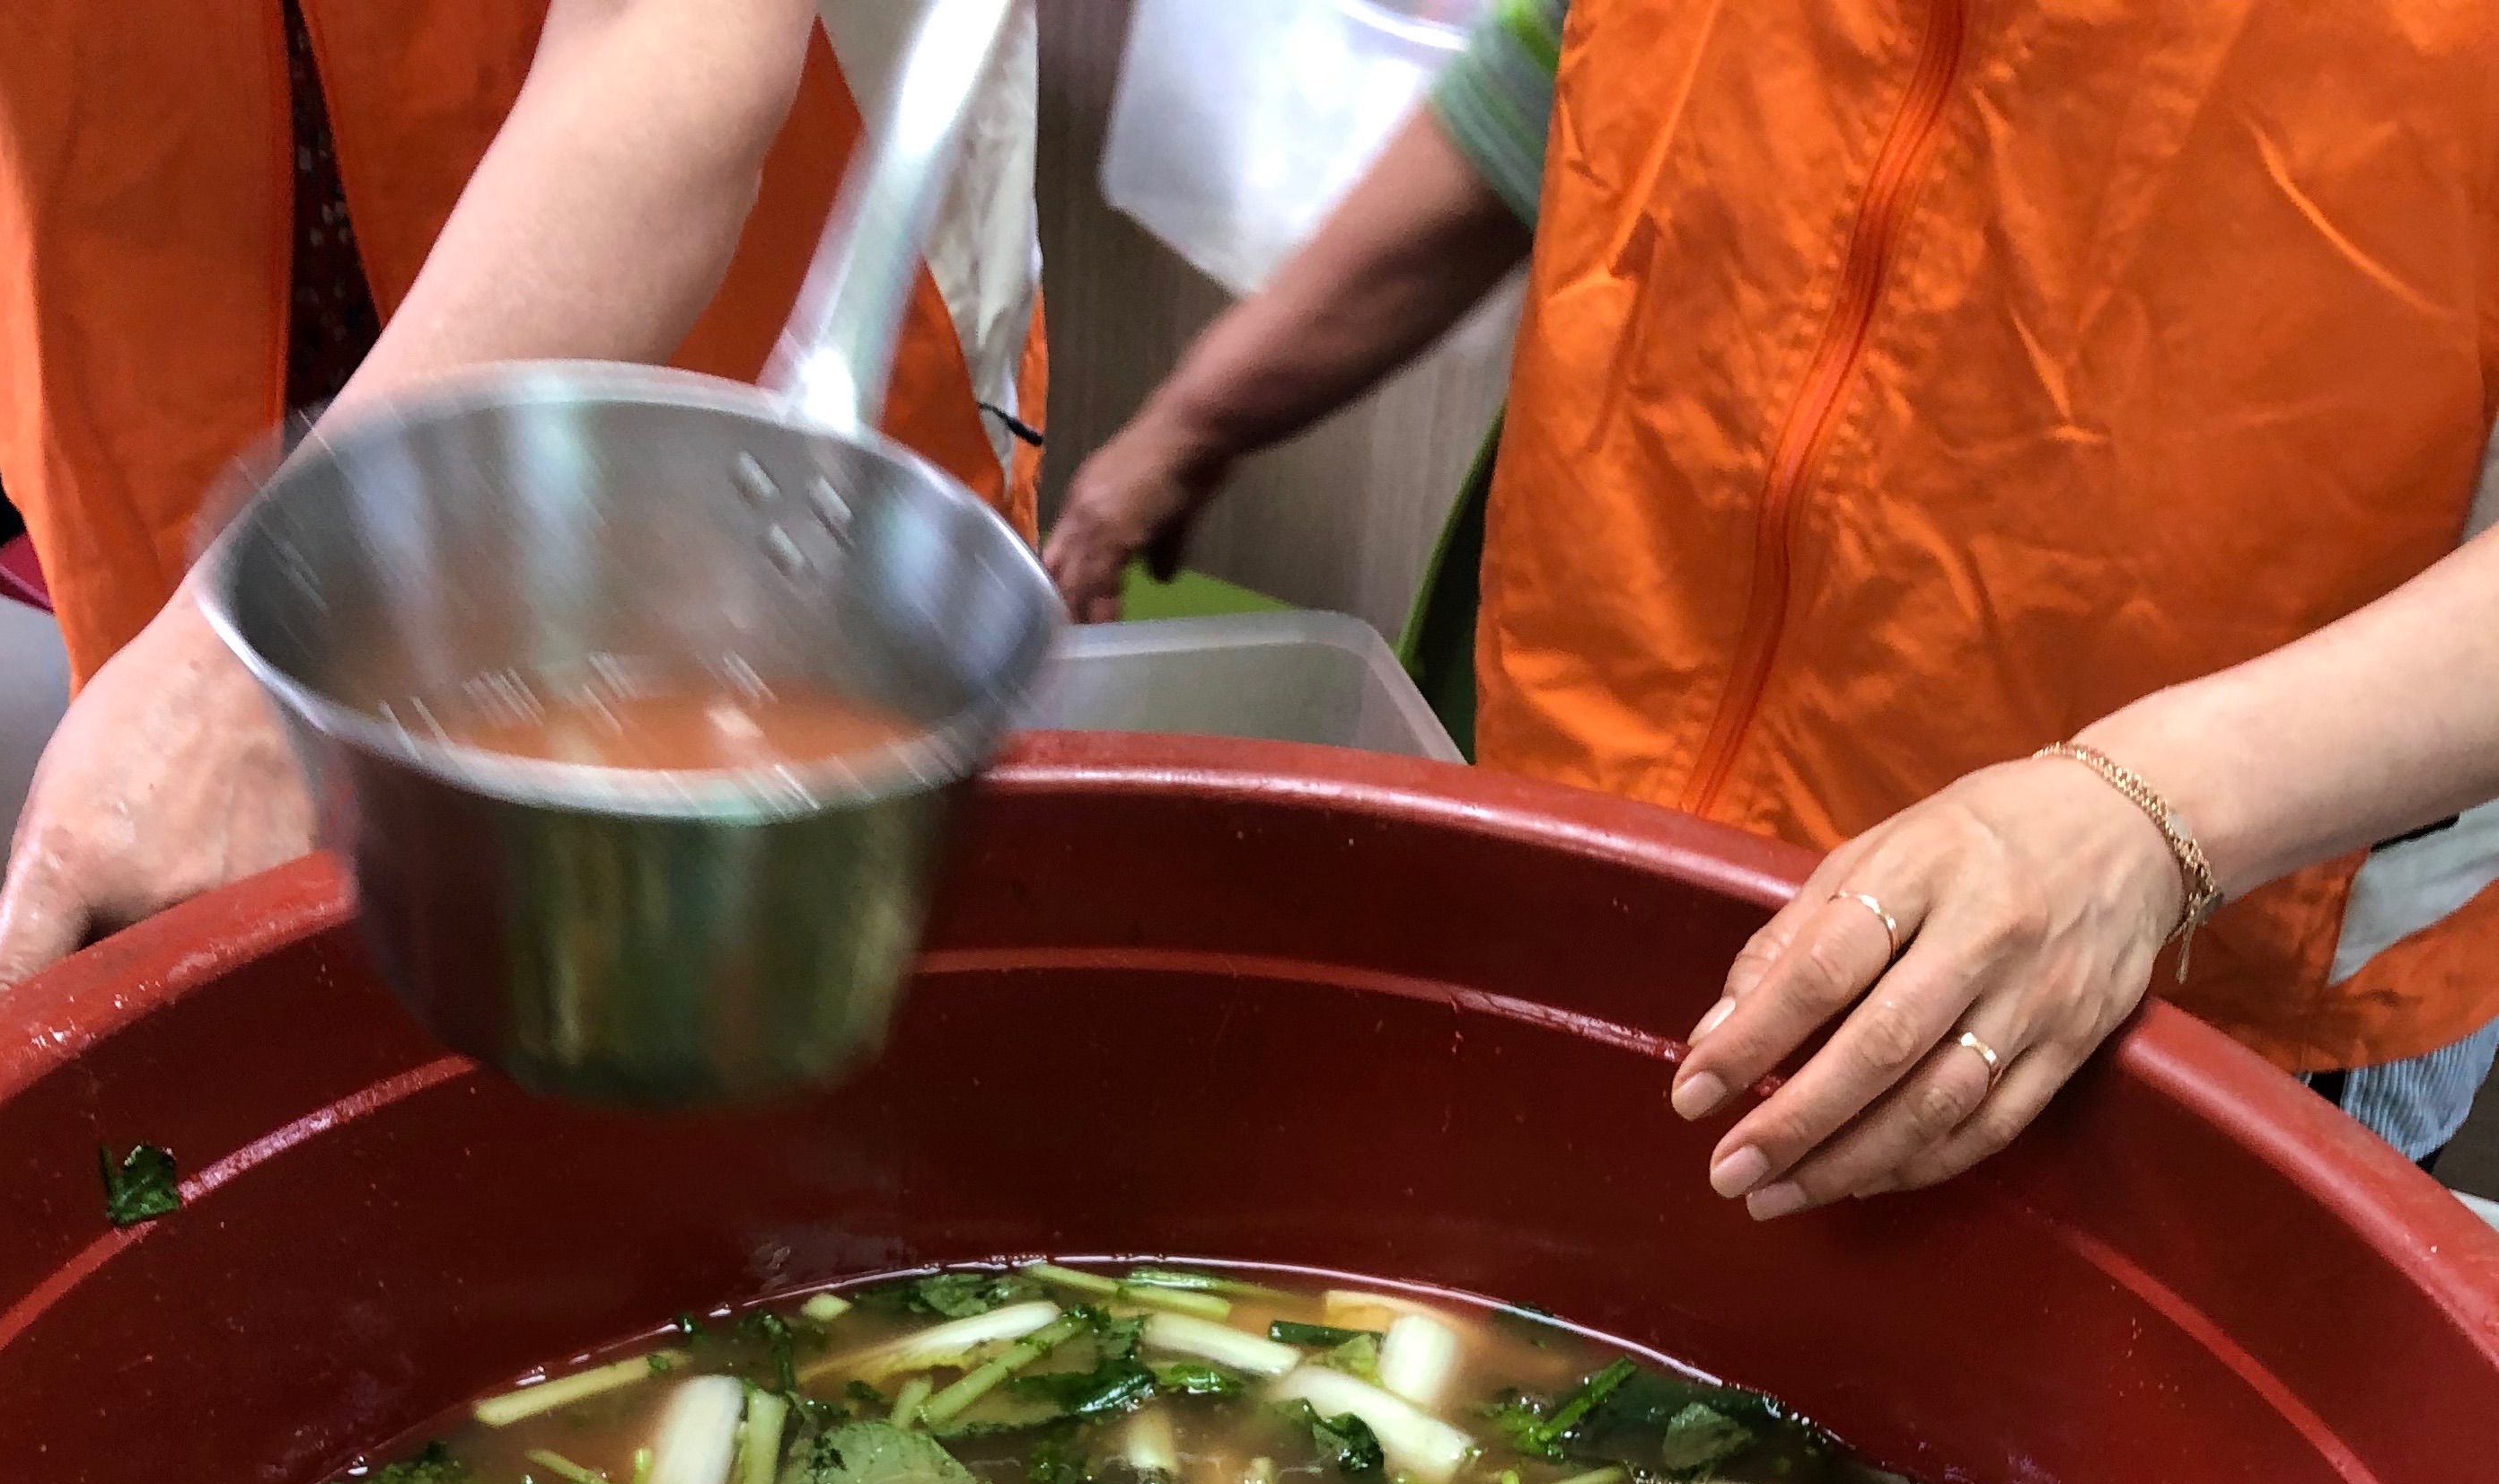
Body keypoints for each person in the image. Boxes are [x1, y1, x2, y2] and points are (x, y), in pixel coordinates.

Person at [1047, 0, 2499, 1196]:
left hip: (2178, 963)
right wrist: (1195, 422)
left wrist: (2146, 815)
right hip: (1613, 806)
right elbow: (1572, 65)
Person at [0, 0, 1042, 998]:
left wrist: (249, 651)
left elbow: (665, 33)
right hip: (164, 258)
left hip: (679, 334)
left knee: (772, 977)